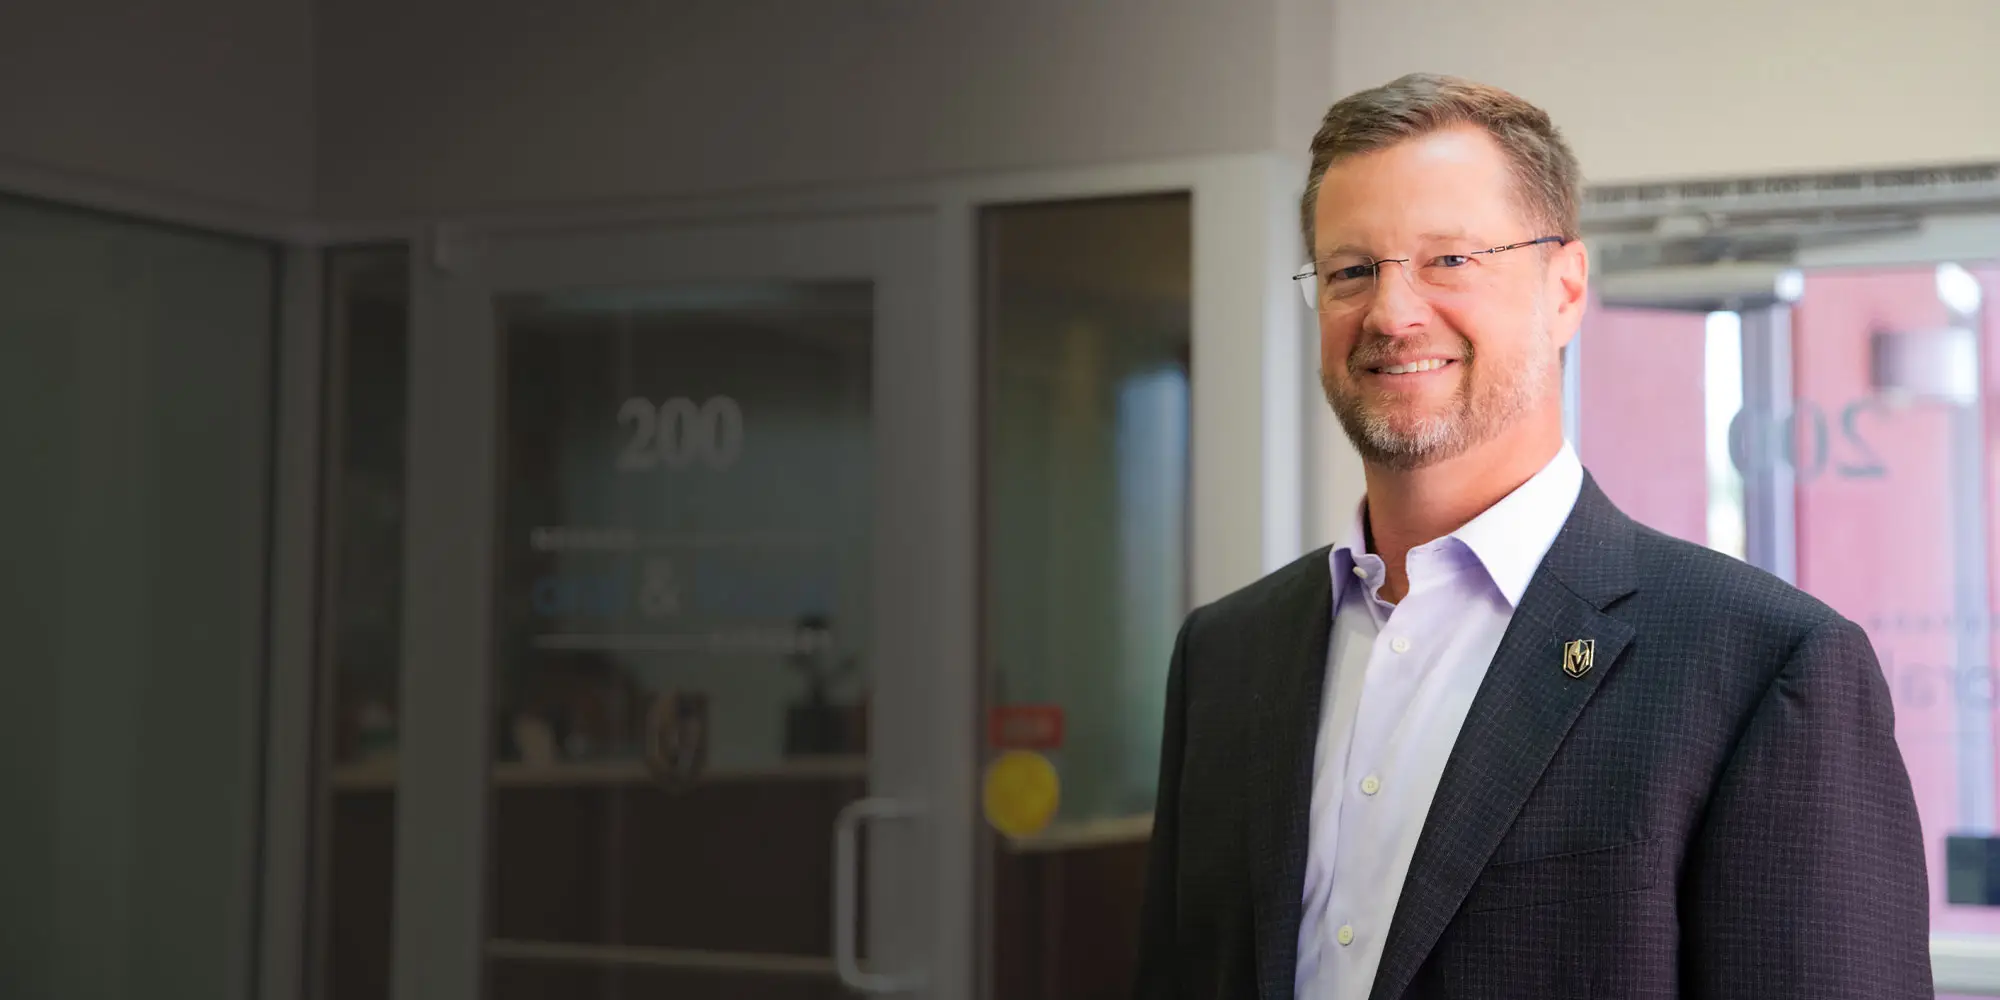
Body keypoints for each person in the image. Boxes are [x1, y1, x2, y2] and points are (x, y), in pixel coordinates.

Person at [1133, 73, 1930, 1000]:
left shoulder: (1765, 668)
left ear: (1566, 289)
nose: (1392, 313)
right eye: (1353, 270)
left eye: (1451, 260)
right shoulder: (1226, 656)